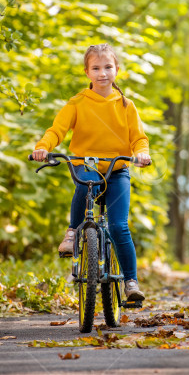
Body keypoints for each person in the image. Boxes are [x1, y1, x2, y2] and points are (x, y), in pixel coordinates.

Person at [32, 43, 151, 302]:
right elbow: (57, 130)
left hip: (117, 169)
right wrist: (43, 147)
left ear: (117, 70)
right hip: (85, 163)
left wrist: (142, 153)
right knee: (87, 184)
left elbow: (139, 139)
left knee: (119, 226)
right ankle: (73, 232)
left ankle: (131, 281)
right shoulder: (77, 103)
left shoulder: (126, 106)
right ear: (87, 72)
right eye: (95, 68)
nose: (102, 73)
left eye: (108, 67)